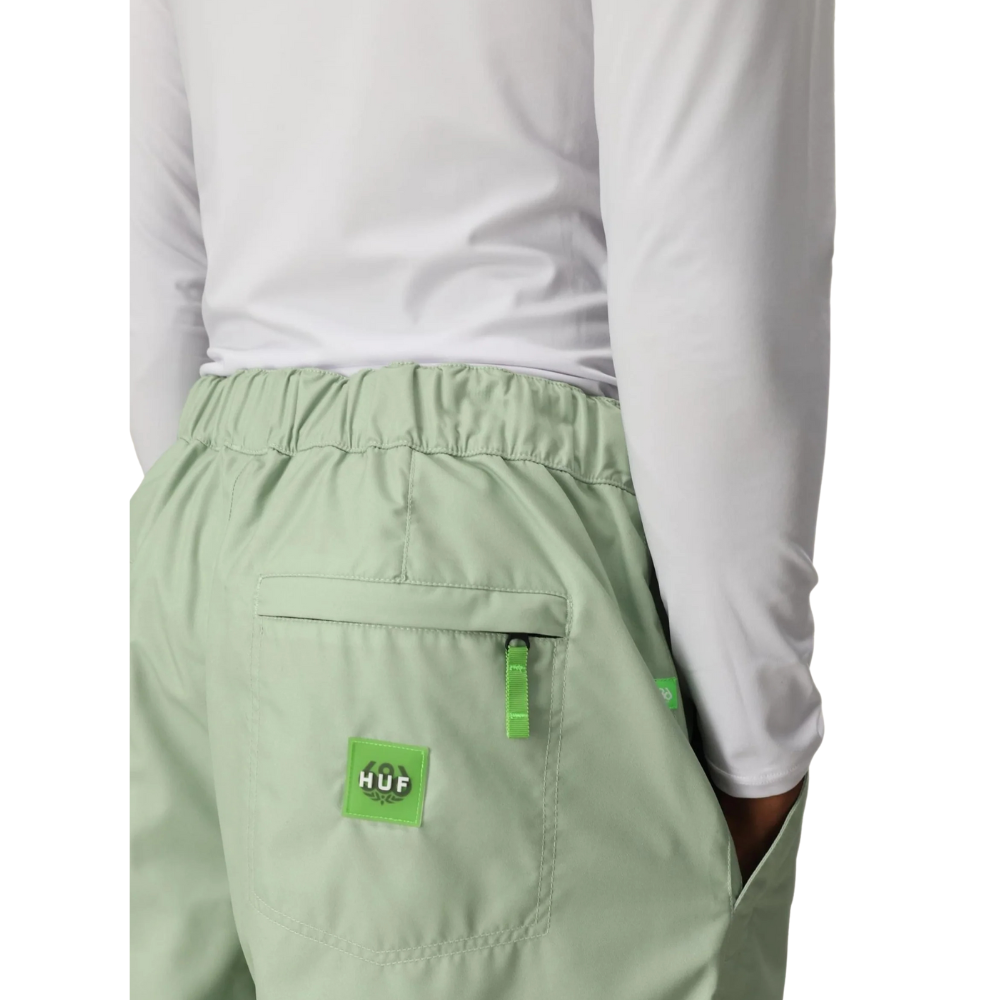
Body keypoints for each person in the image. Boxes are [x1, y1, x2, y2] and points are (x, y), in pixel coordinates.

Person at [130, 0, 834, 997]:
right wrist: (757, 747)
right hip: (491, 559)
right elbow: (706, 260)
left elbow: (158, 236)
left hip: (207, 523)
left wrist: (210, 556)